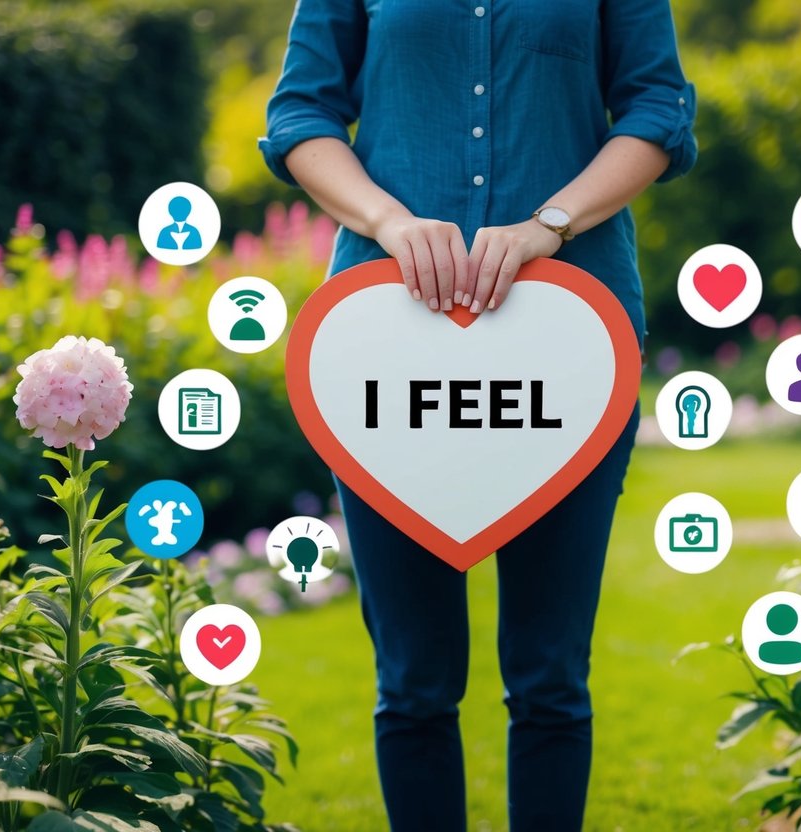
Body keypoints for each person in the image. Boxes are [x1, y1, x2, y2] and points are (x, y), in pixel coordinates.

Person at [260, 3, 697, 830]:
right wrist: (388, 221)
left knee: (549, 679)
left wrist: (548, 226)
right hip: (383, 346)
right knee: (413, 681)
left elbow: (656, 107)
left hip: (572, 346)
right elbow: (300, 112)